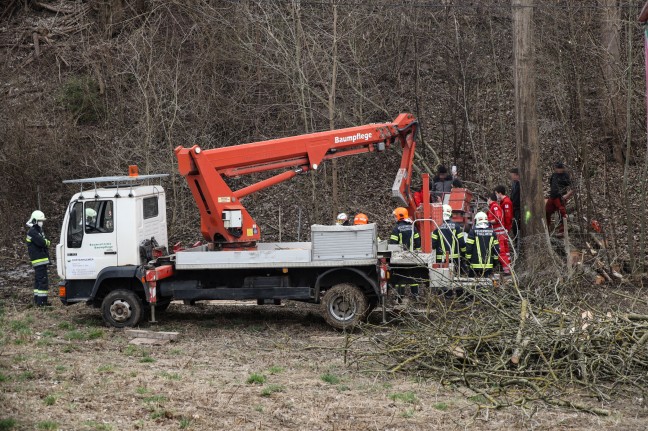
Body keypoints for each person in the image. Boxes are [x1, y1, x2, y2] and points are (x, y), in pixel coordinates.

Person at [389, 207, 421, 300]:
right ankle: (415, 296)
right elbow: (417, 241)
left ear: (400, 216)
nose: (395, 218)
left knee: (400, 276)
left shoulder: (397, 229)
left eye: (396, 216)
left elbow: (393, 244)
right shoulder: (412, 227)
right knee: (413, 276)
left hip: (400, 257)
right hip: (412, 256)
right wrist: (418, 251)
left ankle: (400, 297)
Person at [25, 210, 51, 306]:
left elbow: (46, 240)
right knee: (42, 281)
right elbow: (43, 242)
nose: (42, 222)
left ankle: (37, 301)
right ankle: (42, 303)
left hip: (40, 260)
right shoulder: (33, 232)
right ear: (35, 220)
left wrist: (46, 241)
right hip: (39, 261)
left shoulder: (37, 230)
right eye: (40, 220)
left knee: (38, 281)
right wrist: (46, 242)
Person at [464, 211, 499, 278]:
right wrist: (495, 262)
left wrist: (468, 261)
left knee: (472, 284)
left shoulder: (473, 232)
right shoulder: (492, 232)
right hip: (488, 266)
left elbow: (469, 248)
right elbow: (496, 249)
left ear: (477, 220)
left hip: (474, 266)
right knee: (487, 285)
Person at [431, 204, 465, 271]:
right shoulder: (457, 226)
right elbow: (461, 242)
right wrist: (464, 255)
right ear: (450, 213)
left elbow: (433, 244)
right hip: (455, 258)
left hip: (440, 258)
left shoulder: (436, 226)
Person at [545, 162, 573, 234]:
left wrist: (567, 195)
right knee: (547, 212)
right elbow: (551, 185)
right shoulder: (554, 175)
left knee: (562, 214)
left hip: (560, 198)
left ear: (563, 169)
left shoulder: (566, 176)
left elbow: (573, 187)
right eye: (557, 168)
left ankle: (562, 232)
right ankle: (547, 229)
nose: (558, 170)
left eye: (559, 168)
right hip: (552, 197)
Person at [494, 186, 513, 273]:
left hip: (504, 229)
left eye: (496, 193)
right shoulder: (503, 202)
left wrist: (506, 228)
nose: (496, 195)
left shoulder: (506, 203)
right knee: (505, 250)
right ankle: (508, 265)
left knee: (502, 250)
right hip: (504, 228)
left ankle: (507, 269)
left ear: (500, 193)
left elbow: (508, 217)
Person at [509, 168, 521, 245]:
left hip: (519, 208)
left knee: (517, 225)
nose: (511, 177)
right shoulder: (514, 183)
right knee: (514, 226)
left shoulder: (520, 184)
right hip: (514, 207)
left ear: (517, 175)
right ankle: (516, 241)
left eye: (512, 175)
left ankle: (518, 242)